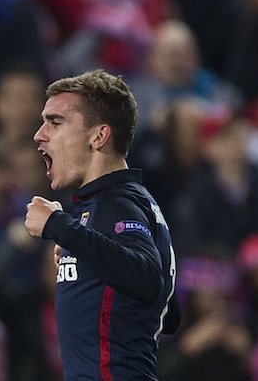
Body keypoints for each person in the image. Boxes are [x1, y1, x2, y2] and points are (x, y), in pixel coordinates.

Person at [23, 68, 181, 380]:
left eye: (55, 123)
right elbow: (167, 314)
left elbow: (147, 280)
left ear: (98, 136)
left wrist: (59, 226)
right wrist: (87, 251)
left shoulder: (116, 203)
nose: (39, 134)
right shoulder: (116, 205)